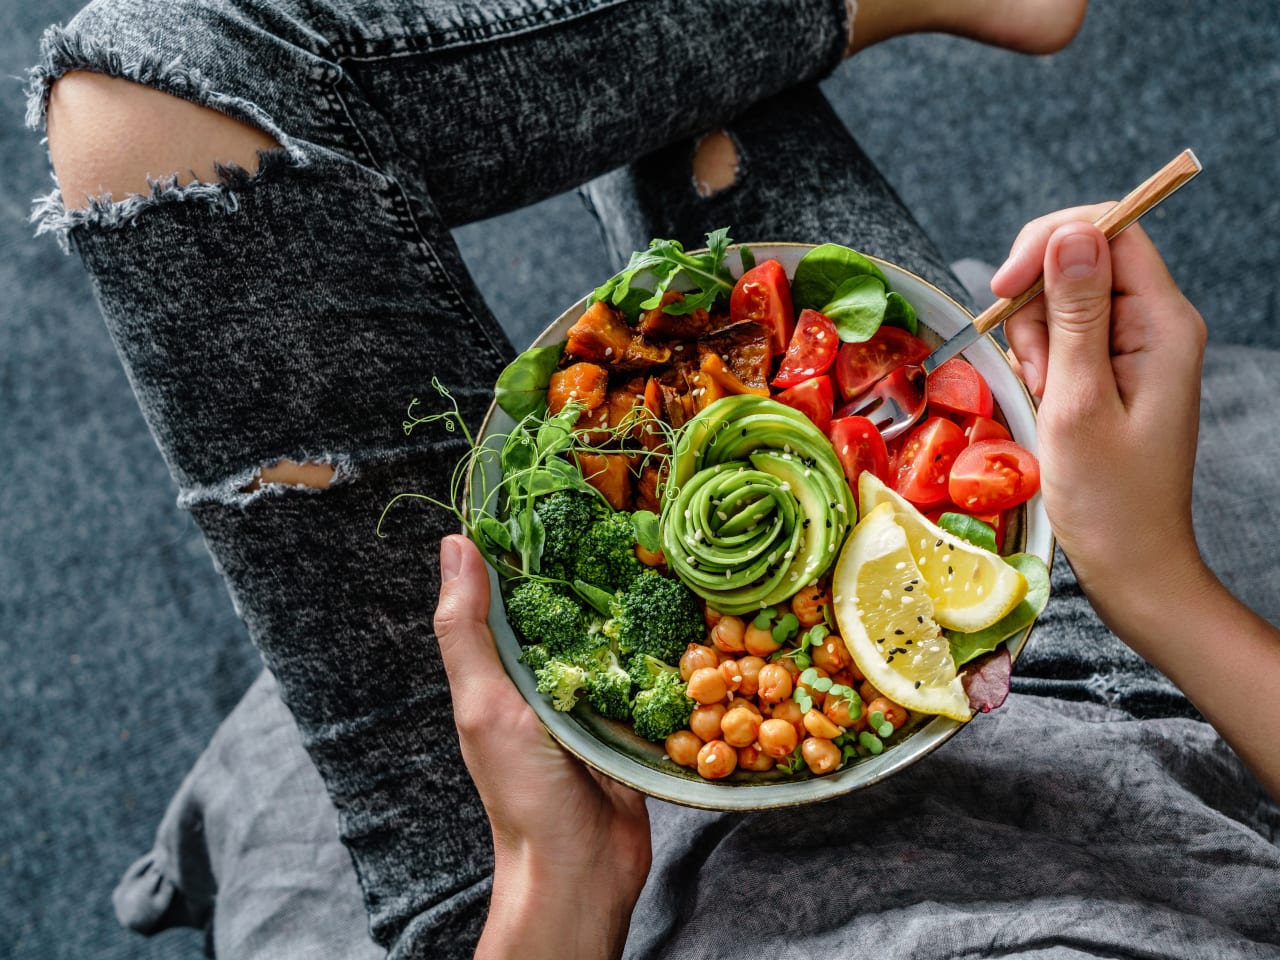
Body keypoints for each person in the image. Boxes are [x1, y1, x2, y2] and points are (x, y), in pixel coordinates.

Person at [25, 0, 1278, 957]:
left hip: (558, 889)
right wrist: (1150, 578)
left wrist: (553, 892)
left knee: (138, 96)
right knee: (707, 155)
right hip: (1041, 695)